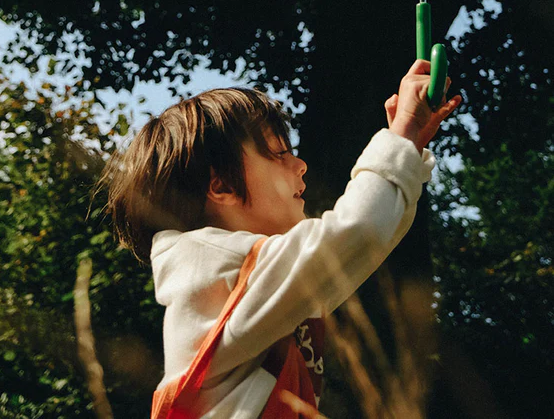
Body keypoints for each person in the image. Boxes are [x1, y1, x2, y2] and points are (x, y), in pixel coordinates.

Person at [105, 60, 461, 418]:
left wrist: (408, 148)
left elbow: (367, 242)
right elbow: (357, 233)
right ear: (221, 185)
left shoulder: (254, 284)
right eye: (279, 154)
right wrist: (401, 138)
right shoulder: (216, 269)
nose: (300, 164)